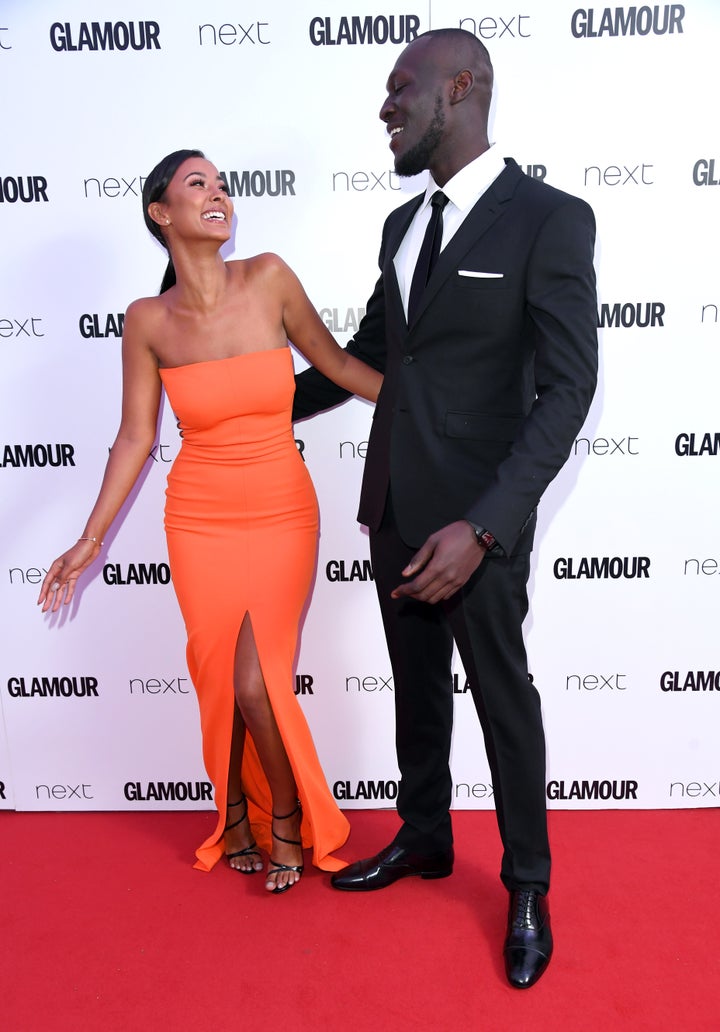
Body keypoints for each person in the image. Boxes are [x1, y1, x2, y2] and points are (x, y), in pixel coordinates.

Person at [292, 29, 598, 984]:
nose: (386, 108)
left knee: (503, 699)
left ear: (460, 87)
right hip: (395, 505)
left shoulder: (550, 218)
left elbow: (569, 388)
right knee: (416, 692)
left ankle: (529, 886)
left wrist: (489, 523)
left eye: (401, 88)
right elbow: (368, 360)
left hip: (481, 521)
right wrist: (249, 382)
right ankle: (424, 835)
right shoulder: (400, 226)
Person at [38, 149, 382, 895]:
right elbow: (136, 436)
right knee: (220, 680)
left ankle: (285, 823)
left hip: (281, 507)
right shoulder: (146, 320)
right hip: (198, 516)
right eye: (199, 185)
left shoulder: (268, 279)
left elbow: (337, 366)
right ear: (163, 215)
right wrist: (89, 539)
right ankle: (232, 819)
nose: (219, 194)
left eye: (222, 184)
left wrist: (432, 410)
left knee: (259, 684)